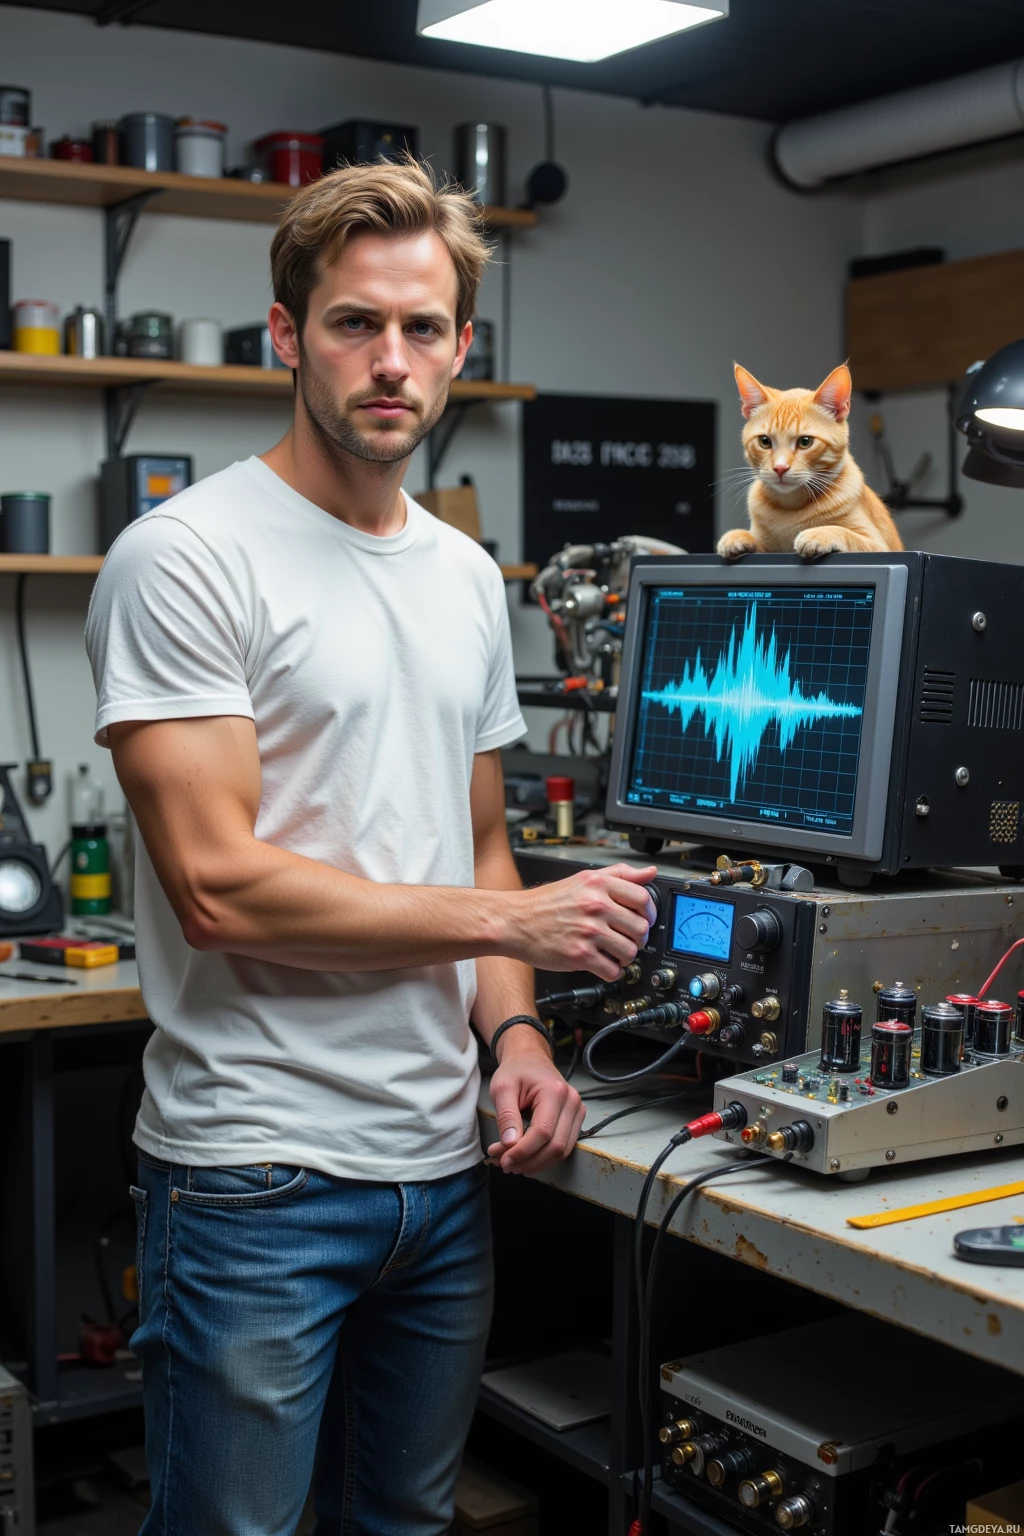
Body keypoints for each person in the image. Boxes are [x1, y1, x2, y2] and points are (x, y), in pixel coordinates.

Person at [85, 158, 655, 1536]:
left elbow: (480, 846)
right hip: (255, 1176)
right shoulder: (187, 556)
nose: (388, 361)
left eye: (421, 328)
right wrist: (508, 934)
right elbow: (218, 890)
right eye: (353, 323)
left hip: (444, 1171)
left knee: (402, 1522)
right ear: (288, 334)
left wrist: (514, 1040)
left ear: (463, 346)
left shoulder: (465, 575)